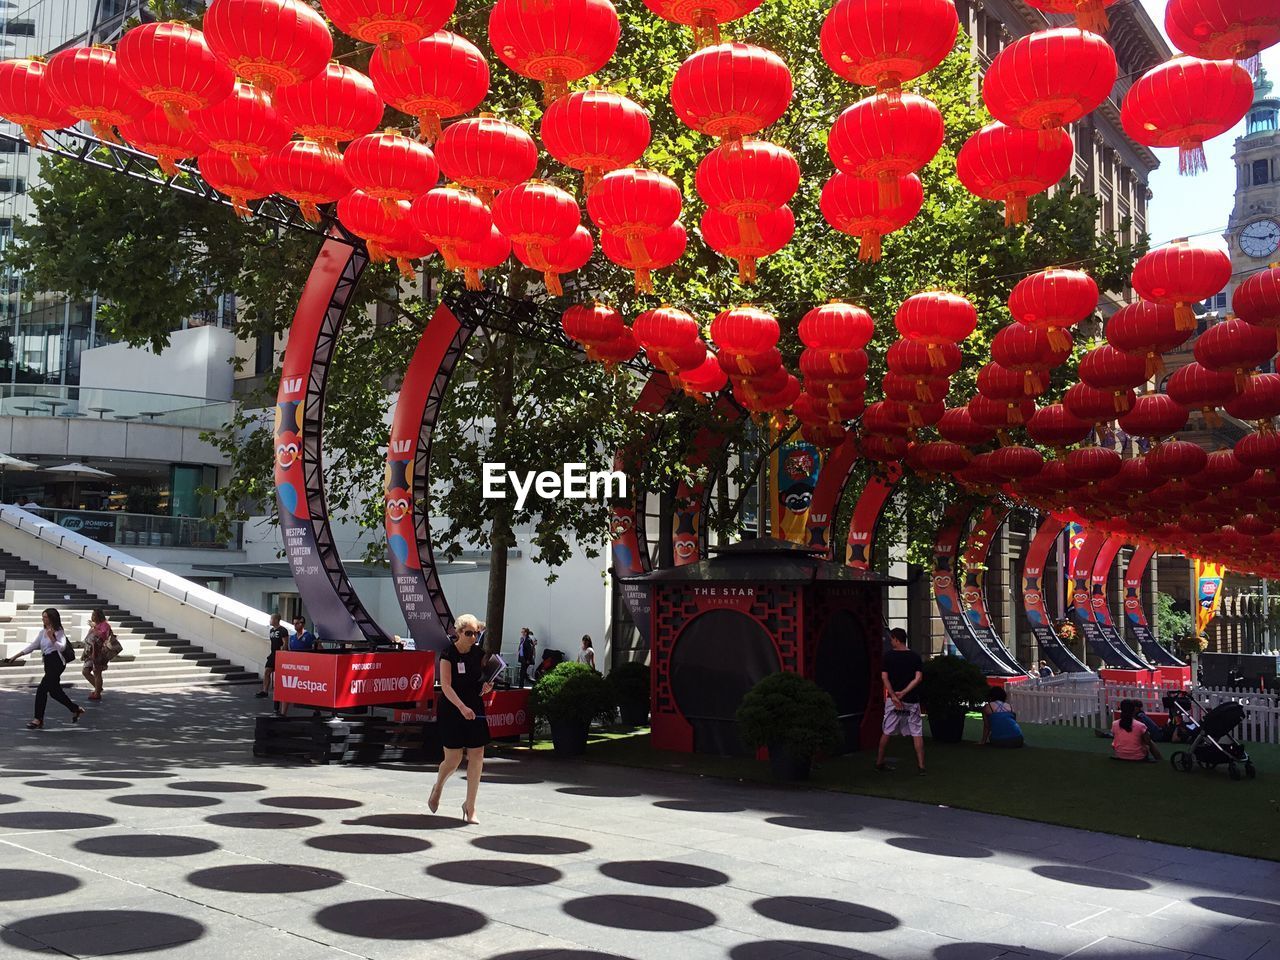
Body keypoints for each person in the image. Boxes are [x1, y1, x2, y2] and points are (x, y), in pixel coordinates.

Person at [429, 614, 493, 824]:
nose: (473, 637)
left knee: (477, 754)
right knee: (453, 759)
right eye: (469, 633)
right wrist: (462, 707)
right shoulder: (448, 654)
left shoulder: (479, 654)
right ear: (458, 633)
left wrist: (486, 687)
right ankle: (438, 786)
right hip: (453, 708)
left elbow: (481, 682)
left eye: (476, 633)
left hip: (474, 707)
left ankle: (470, 806)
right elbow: (445, 686)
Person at [1, 608, 85, 729]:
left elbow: (61, 647)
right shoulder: (42, 632)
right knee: (55, 692)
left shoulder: (59, 631)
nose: (43, 619)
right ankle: (76, 709)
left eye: (45, 617)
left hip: (57, 663)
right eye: (43, 617)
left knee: (42, 690)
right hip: (48, 662)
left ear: (51, 618)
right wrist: (15, 656)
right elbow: (33, 646)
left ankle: (38, 719)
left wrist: (52, 637)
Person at [876, 628, 926, 775]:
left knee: (887, 731)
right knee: (917, 732)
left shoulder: (888, 657)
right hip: (911, 700)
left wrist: (894, 696)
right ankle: (921, 766)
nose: (891, 642)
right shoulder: (915, 657)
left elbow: (884, 678)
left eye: (892, 639)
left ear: (896, 639)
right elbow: (918, 678)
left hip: (893, 701)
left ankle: (879, 762)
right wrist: (904, 692)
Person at [80, 608, 113, 701]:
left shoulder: (105, 625)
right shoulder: (96, 625)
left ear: (99, 616)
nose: (92, 616)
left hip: (99, 653)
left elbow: (102, 636)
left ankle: (97, 693)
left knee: (97, 672)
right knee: (85, 671)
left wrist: (95, 627)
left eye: (94, 615)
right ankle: (98, 687)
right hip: (90, 653)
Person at [257, 613, 288, 701]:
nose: (270, 621)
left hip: (280, 654)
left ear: (276, 620)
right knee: (267, 671)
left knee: (280, 674)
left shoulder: (283, 630)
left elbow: (285, 643)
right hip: (272, 654)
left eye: (271, 619)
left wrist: (283, 653)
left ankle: (281, 691)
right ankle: (265, 691)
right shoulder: (271, 631)